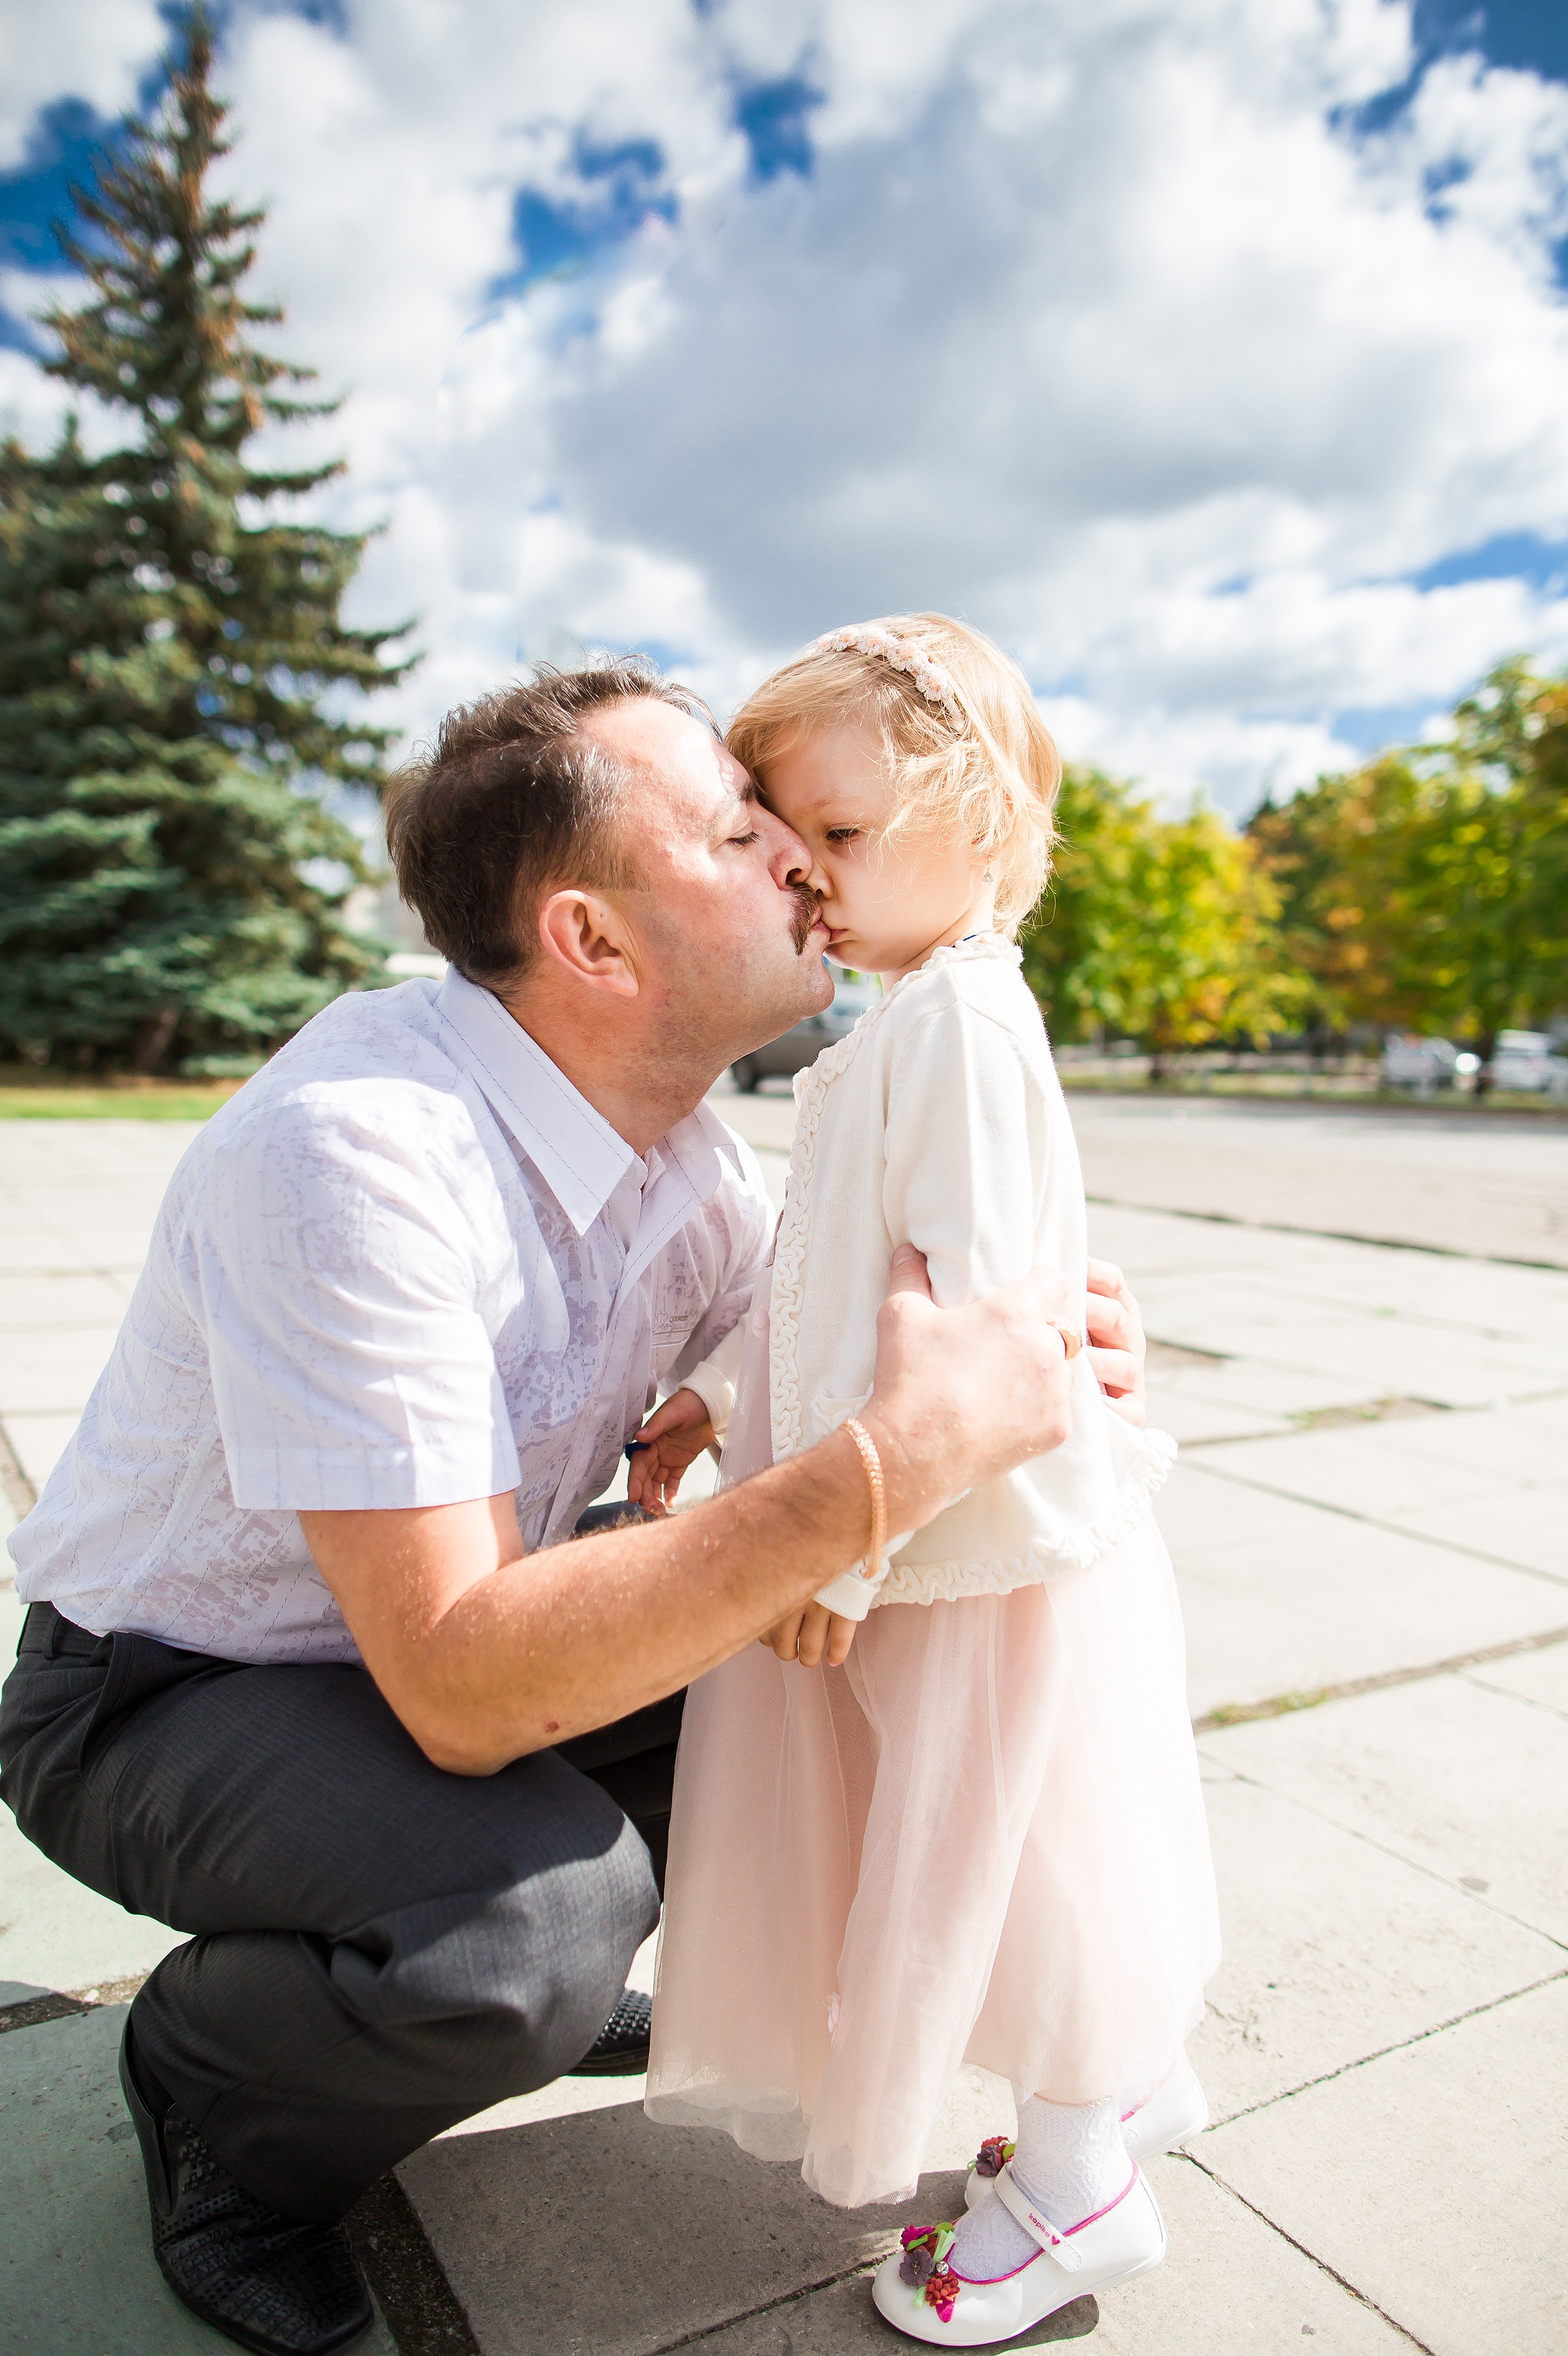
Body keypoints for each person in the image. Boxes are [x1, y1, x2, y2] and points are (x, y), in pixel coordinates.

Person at [0, 655, 1152, 2356]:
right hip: (162, 1693)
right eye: (737, 825)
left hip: (415, 1654)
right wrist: (882, 1469)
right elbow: (466, 1689)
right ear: (593, 943)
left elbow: (840, 1349)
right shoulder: (358, 1151)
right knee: (525, 1929)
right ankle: (215, 2094)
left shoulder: (690, 1164)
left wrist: (1049, 1327)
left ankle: (434, 1978)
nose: (798, 858)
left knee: (848, 1654)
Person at [626, 617, 1219, 2347]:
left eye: (847, 834)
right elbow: (831, 1282)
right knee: (1006, 1848)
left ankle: (1085, 2177)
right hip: (937, 1544)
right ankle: (1104, 2096)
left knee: (1003, 1857)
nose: (810, 875)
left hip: (966, 1551)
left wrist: (850, 1543)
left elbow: (964, 1323)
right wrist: (725, 1401)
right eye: (792, 844)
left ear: (981, 812)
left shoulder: (959, 1019)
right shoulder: (901, 1026)